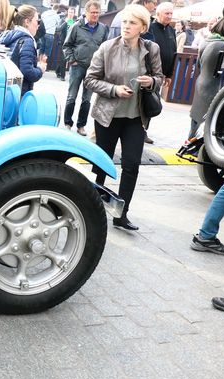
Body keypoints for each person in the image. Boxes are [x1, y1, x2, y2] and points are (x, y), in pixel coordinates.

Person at [85, 4, 163, 231]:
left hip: (135, 117)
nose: (127, 27)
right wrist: (114, 90)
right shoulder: (107, 47)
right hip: (108, 116)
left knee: (131, 165)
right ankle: (91, 206)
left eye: (133, 23)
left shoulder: (151, 49)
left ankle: (122, 214)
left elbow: (158, 76)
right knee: (102, 163)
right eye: (125, 22)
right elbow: (90, 80)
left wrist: (152, 82)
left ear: (143, 27)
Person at [62, 0, 108, 136]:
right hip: (77, 67)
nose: (95, 15)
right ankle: (67, 123)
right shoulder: (76, 26)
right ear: (86, 12)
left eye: (97, 13)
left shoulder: (103, 29)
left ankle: (81, 126)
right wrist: (72, 60)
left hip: (93, 70)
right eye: (92, 12)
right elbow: (67, 45)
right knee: (72, 96)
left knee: (87, 100)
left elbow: (105, 48)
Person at [188, 17, 224, 139]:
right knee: (208, 125)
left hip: (203, 83)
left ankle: (189, 145)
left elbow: (200, 64)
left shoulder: (207, 41)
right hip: (214, 87)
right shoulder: (222, 45)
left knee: (196, 121)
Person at [0, 5, 46, 96]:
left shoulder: (8, 36)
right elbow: (28, 72)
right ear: (27, 22)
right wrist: (40, 69)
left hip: (6, 90)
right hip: (19, 92)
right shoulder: (27, 41)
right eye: (37, 21)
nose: (38, 25)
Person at [55, 6, 76, 81]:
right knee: (63, 59)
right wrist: (66, 22)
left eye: (72, 12)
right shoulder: (63, 20)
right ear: (68, 13)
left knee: (64, 59)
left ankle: (58, 70)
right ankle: (62, 76)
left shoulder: (75, 21)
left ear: (74, 14)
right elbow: (58, 29)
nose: (70, 14)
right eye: (69, 12)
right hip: (63, 42)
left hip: (71, 42)